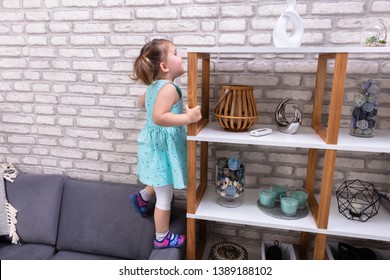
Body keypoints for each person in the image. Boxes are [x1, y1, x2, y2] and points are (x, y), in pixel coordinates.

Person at [130, 39, 202, 249]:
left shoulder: (154, 86)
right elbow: (160, 117)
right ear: (164, 66)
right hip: (162, 146)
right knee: (165, 196)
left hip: (155, 145)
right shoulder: (169, 88)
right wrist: (188, 119)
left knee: (161, 176)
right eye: (177, 53)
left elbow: (142, 101)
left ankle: (143, 197)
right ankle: (161, 237)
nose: (182, 57)